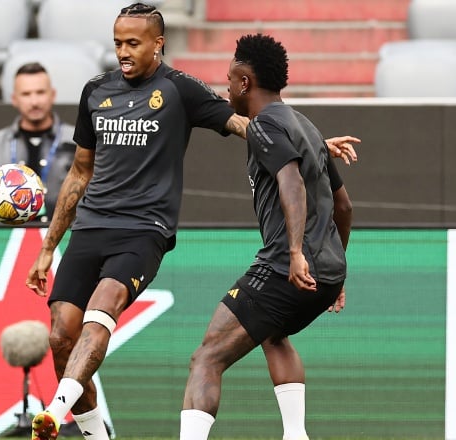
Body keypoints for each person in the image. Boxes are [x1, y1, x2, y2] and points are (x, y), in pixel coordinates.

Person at [24, 4, 358, 440]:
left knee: (187, 348)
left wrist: (299, 145)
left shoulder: (182, 90)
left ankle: (54, 409)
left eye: (133, 43)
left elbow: (247, 127)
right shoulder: (95, 91)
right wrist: (49, 246)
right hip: (91, 228)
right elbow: (81, 170)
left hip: (145, 232)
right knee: (61, 337)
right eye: (118, 43)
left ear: (158, 43)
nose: (123, 52)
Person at [178, 34, 353, 440]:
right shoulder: (306, 125)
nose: (225, 87)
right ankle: (296, 435)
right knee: (274, 333)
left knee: (206, 357)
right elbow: (343, 207)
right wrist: (334, 270)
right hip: (326, 273)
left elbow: (291, 182)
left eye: (229, 79)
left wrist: (295, 253)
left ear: (244, 83)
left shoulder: (263, 126)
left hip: (284, 268)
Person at [0, 62, 75, 223]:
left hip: (64, 238)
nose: (34, 101)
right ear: (14, 99)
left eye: (40, 92)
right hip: (6, 241)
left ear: (52, 95)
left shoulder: (77, 140)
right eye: (26, 94)